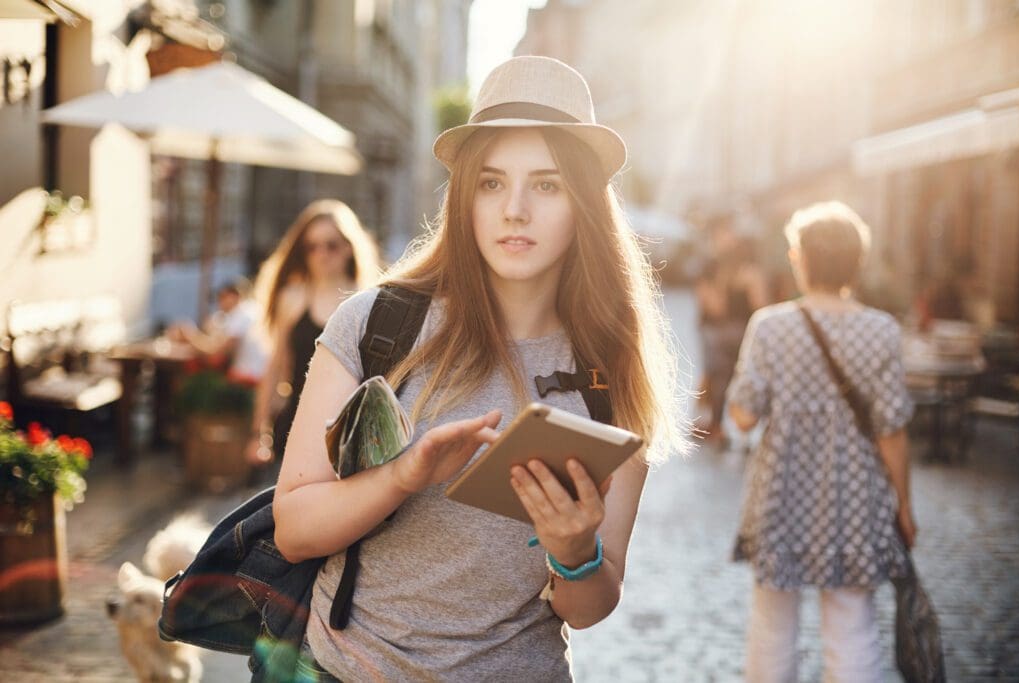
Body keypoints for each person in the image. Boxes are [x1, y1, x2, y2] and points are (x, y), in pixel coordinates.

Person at [271, 56, 687, 680]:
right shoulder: (375, 324)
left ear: (584, 204)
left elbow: (591, 605)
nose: (514, 209)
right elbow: (293, 530)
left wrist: (575, 553)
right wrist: (402, 476)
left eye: (546, 184)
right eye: (491, 182)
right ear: (465, 196)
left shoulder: (610, 365)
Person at [727, 201, 916, 682]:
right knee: (853, 628)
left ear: (800, 259)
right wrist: (905, 507)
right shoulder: (883, 330)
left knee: (772, 626)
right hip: (856, 496)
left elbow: (743, 418)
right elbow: (891, 430)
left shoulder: (770, 326)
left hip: (782, 492)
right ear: (858, 262)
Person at [246, 199, 380, 468]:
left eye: (331, 245)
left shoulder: (370, 301)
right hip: (297, 425)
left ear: (349, 247)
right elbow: (274, 368)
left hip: (350, 434)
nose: (322, 254)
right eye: (312, 247)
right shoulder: (293, 298)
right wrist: (258, 432)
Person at [695, 223, 768, 445]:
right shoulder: (750, 269)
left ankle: (716, 425)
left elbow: (713, 306)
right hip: (742, 331)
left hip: (717, 332)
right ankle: (739, 427)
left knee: (716, 378)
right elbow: (760, 303)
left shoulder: (711, 268)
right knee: (739, 377)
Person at [166, 278, 262, 375]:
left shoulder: (241, 314)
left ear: (235, 296)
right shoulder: (249, 310)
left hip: (249, 375)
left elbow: (218, 352)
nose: (219, 303)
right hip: (255, 373)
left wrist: (190, 336)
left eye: (222, 297)